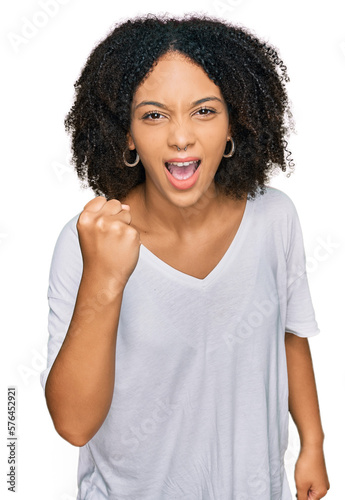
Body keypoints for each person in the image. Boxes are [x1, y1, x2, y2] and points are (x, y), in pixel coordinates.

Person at [40, 14, 330, 500]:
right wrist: (105, 279)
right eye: (154, 115)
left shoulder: (274, 218)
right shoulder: (87, 240)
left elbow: (288, 336)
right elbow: (73, 424)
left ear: (235, 121)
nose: (180, 137)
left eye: (204, 111)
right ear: (127, 134)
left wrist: (313, 444)